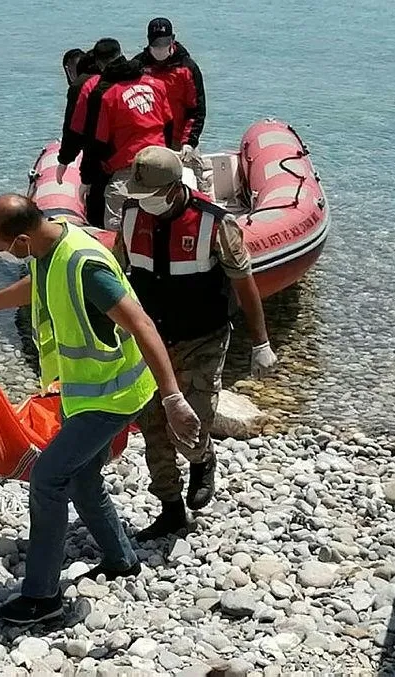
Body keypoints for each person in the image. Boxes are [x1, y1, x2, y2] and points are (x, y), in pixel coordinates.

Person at [0, 195, 200, 624]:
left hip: (113, 396)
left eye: (1, 248)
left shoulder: (86, 266)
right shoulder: (45, 247)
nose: (1, 255)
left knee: (48, 477)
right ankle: (122, 559)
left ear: (20, 239)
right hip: (84, 393)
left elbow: (142, 323)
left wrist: (173, 398)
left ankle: (42, 596)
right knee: (83, 475)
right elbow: (39, 284)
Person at [114, 146, 277, 540]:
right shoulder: (132, 216)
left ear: (173, 190)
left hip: (202, 338)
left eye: (149, 194)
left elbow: (245, 284)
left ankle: (202, 460)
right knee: (153, 426)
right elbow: (120, 273)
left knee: (193, 422)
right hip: (150, 341)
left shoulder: (215, 225)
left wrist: (261, 342)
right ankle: (170, 508)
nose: (141, 202)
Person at [56, 38, 173, 232]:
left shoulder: (102, 93)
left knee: (114, 227)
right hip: (162, 162)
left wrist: (83, 176)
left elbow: (93, 141)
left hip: (126, 168)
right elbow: (168, 125)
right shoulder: (154, 83)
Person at [134, 18, 206, 157]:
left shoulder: (187, 68)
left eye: (164, 43)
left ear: (172, 39)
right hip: (146, 140)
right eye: (156, 43)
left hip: (178, 141)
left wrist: (189, 142)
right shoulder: (137, 66)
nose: (160, 47)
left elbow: (196, 110)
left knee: (192, 172)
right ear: (149, 41)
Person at [60, 44, 109, 228]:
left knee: (97, 207)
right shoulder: (109, 80)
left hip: (100, 159)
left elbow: (74, 129)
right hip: (120, 151)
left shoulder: (82, 86)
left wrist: (64, 160)